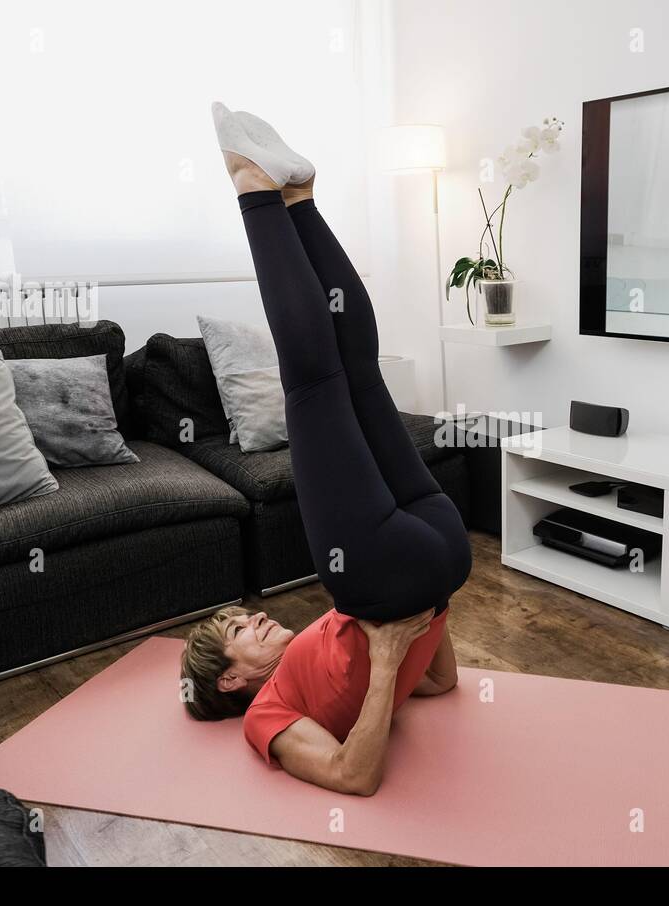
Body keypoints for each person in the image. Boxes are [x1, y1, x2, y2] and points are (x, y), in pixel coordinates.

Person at [179, 103, 472, 797]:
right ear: (232, 679)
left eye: (241, 615)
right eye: (239, 631)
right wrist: (396, 643)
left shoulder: (319, 648)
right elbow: (354, 776)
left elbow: (444, 682)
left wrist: (424, 608)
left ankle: (298, 199)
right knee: (314, 383)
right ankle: (257, 189)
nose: (253, 614)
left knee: (355, 372)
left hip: (436, 552)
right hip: (396, 573)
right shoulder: (269, 715)